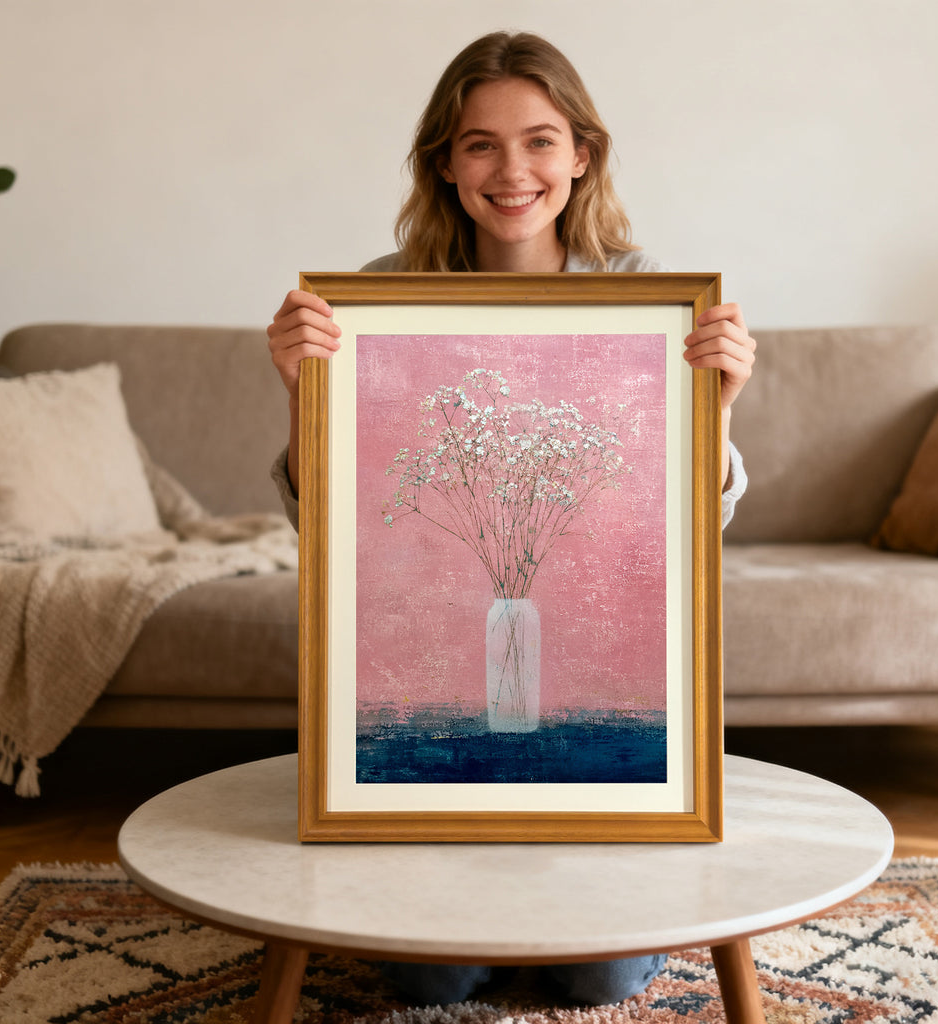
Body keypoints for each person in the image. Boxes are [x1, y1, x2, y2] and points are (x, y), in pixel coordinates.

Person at [266, 30, 755, 1008]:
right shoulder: (380, 297)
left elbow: (680, 529)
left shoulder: (644, 294)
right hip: (427, 665)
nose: (512, 170)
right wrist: (300, 394)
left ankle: (595, 884)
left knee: (594, 979)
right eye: (480, 144)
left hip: (602, 671)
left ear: (582, 155)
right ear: (444, 163)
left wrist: (721, 409)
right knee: (430, 978)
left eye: (539, 141)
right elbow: (333, 526)